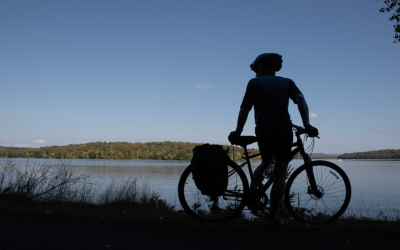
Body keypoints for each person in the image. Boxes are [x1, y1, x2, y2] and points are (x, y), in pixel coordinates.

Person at [229, 53, 318, 226]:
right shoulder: (287, 82)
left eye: (256, 68)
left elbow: (245, 108)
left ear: (261, 67)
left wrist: (237, 131)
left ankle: (253, 192)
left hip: (264, 129)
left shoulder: (254, 83)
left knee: (266, 161)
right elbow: (300, 99)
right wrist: (306, 124)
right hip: (283, 129)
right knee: (280, 174)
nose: (255, 72)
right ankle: (273, 218)